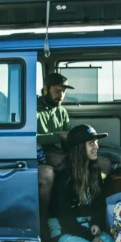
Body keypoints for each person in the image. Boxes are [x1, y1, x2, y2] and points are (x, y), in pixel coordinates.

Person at [48, 124, 114, 242]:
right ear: (79, 148)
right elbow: (64, 216)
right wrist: (89, 237)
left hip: (84, 226)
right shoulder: (64, 176)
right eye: (91, 143)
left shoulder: (93, 170)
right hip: (64, 231)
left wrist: (97, 224)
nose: (97, 147)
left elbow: (99, 203)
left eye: (96, 143)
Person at [37, 73, 73, 230]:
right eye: (57, 91)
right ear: (45, 89)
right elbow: (31, 137)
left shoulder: (62, 112)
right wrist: (57, 136)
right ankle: (43, 221)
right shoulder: (32, 109)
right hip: (40, 152)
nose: (61, 95)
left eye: (64, 92)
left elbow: (68, 136)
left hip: (59, 152)